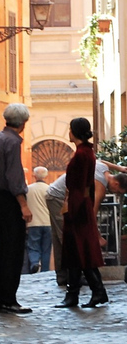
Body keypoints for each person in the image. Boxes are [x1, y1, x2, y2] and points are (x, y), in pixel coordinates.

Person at [46, 161, 127, 286]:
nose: (116, 193)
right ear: (116, 183)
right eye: (119, 191)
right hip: (60, 198)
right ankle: (76, 276)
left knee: (60, 238)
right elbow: (91, 216)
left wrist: (119, 167)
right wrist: (98, 237)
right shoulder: (100, 187)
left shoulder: (102, 168)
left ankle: (63, 276)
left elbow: (97, 159)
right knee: (69, 238)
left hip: (55, 194)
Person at [0, 103, 32, 314]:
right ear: (22, 123)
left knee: (3, 250)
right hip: (10, 200)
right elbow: (14, 177)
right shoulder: (12, 143)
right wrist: (23, 205)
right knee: (13, 251)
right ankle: (8, 298)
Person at [56, 118, 108, 308]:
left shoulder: (81, 155)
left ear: (75, 132)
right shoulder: (87, 153)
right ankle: (80, 294)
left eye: (70, 129)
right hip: (81, 205)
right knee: (78, 252)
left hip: (77, 207)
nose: (68, 132)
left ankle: (93, 292)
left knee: (80, 251)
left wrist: (72, 210)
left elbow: (78, 186)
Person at [26, 166, 52, 273]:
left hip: (33, 222)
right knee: (46, 249)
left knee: (33, 246)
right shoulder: (50, 189)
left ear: (34, 175)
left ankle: (34, 262)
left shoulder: (28, 189)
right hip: (48, 222)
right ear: (46, 176)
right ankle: (45, 270)